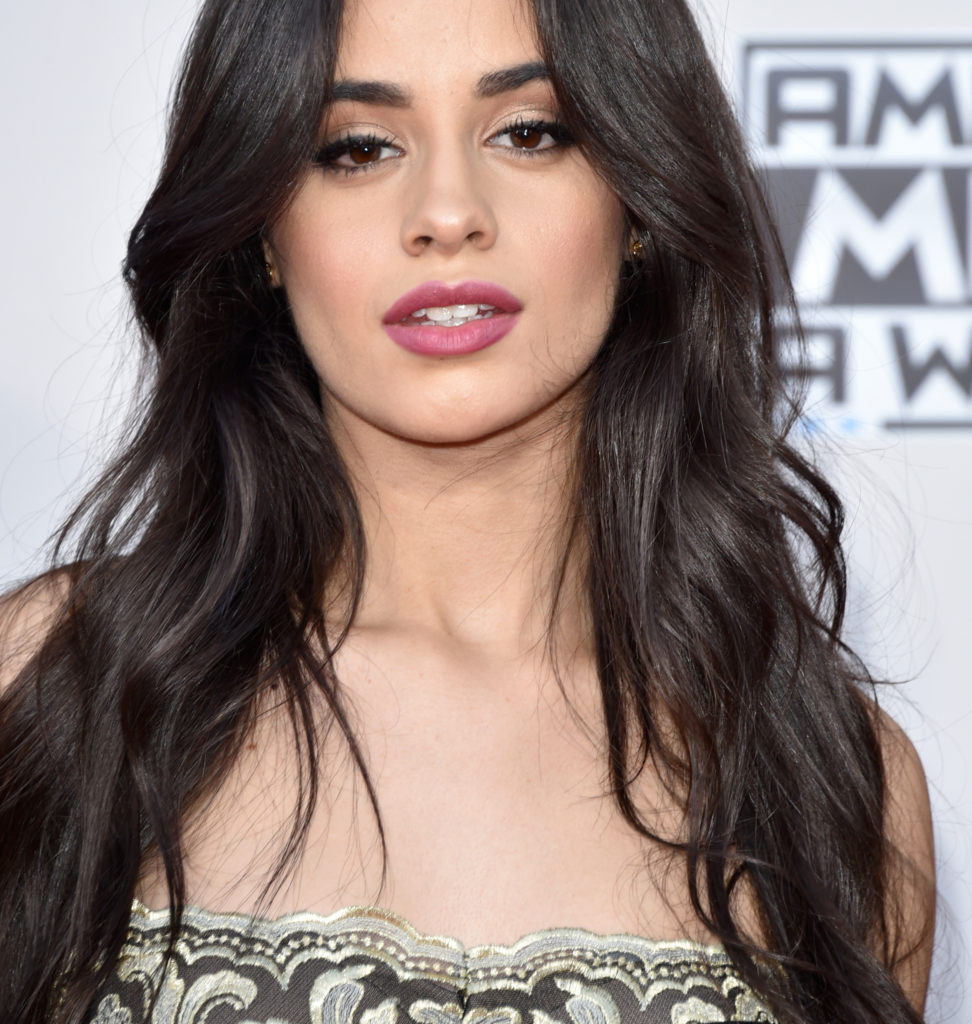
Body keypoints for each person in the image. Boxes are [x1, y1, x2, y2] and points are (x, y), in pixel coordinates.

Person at [0, 0, 935, 1021]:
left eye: (528, 133)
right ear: (264, 232)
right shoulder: (60, 684)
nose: (447, 211)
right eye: (355, 148)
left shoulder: (829, 778)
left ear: (637, 199)